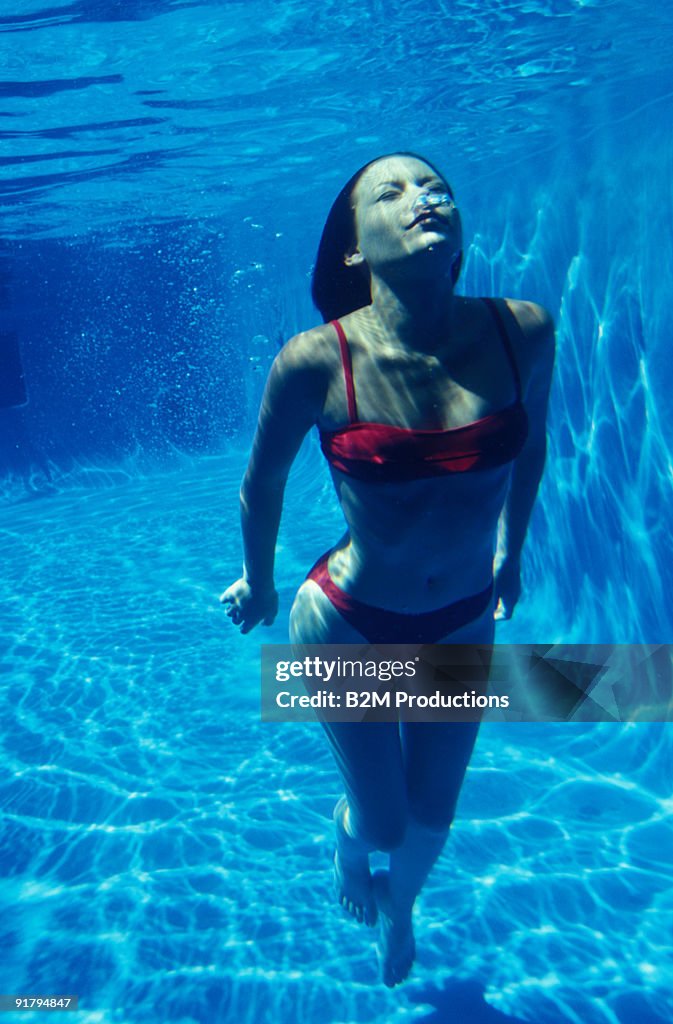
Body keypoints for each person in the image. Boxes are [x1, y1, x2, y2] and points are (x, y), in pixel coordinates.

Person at [221, 153, 555, 986]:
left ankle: (399, 910)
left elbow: (532, 446)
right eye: (393, 190)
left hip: (464, 613)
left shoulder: (522, 331)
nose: (426, 196)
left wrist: (512, 553)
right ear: (353, 249)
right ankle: (347, 855)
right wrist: (259, 584)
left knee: (432, 813)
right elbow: (259, 484)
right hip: (347, 622)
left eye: (437, 185)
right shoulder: (314, 359)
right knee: (380, 819)